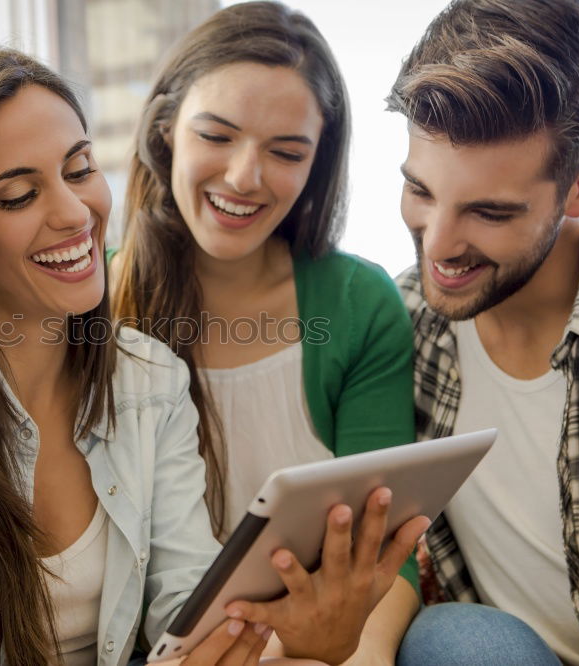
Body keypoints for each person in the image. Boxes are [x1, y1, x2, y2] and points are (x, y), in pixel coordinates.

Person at [0, 47, 423, 666]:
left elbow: (188, 609)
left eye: (79, 170)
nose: (76, 214)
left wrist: (286, 640)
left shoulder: (148, 380)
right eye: (18, 195)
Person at [111, 3, 433, 661]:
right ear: (167, 128)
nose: (243, 177)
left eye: (286, 152)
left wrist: (347, 659)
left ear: (318, 164)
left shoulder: (357, 303)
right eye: (217, 136)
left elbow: (386, 560)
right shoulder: (96, 307)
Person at [387, 0, 579, 663]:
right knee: (453, 640)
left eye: (488, 211)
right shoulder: (404, 321)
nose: (438, 247)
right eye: (420, 191)